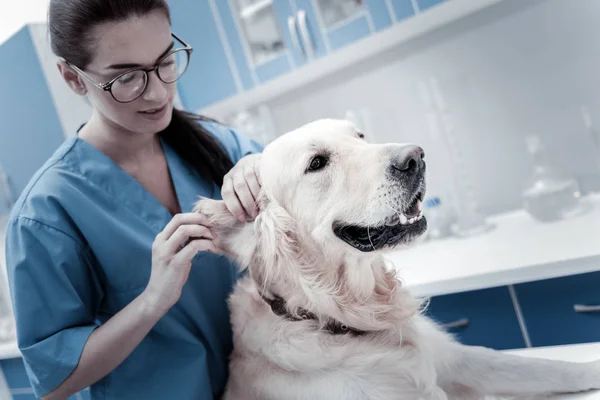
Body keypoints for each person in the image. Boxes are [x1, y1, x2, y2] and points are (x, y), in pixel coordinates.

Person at [4, 1, 264, 399]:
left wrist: (267, 169)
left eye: (166, 61)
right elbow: (54, 380)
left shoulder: (222, 146)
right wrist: (151, 301)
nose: (159, 91)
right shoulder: (47, 213)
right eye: (126, 78)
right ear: (73, 78)